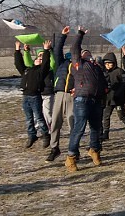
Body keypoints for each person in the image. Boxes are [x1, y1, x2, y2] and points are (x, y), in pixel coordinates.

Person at [66, 26, 108, 172]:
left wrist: (104, 93)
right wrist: (80, 34)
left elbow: (104, 83)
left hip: (96, 101)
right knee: (79, 128)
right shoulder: (79, 65)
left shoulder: (97, 67)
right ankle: (71, 157)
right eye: (85, 53)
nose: (87, 55)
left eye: (89, 53)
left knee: (96, 128)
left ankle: (94, 150)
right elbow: (74, 48)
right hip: (82, 100)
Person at [14, 39, 52, 149]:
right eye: (37, 59)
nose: (39, 60)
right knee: (29, 119)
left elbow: (46, 63)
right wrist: (18, 50)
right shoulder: (27, 70)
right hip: (25, 96)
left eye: (41, 59)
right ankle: (32, 135)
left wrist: (46, 51)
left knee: (39, 118)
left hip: (35, 96)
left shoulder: (41, 72)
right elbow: (18, 63)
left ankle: (46, 135)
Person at [46, 26, 75, 162]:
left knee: (72, 122)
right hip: (59, 94)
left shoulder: (78, 67)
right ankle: (54, 148)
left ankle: (73, 149)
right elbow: (57, 50)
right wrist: (63, 35)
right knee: (55, 121)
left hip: (72, 96)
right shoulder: (61, 64)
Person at [100, 52, 125, 141]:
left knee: (121, 115)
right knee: (106, 116)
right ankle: (106, 133)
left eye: (110, 63)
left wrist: (118, 93)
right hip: (108, 99)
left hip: (118, 99)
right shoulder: (104, 73)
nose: (108, 65)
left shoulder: (119, 71)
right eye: (106, 63)